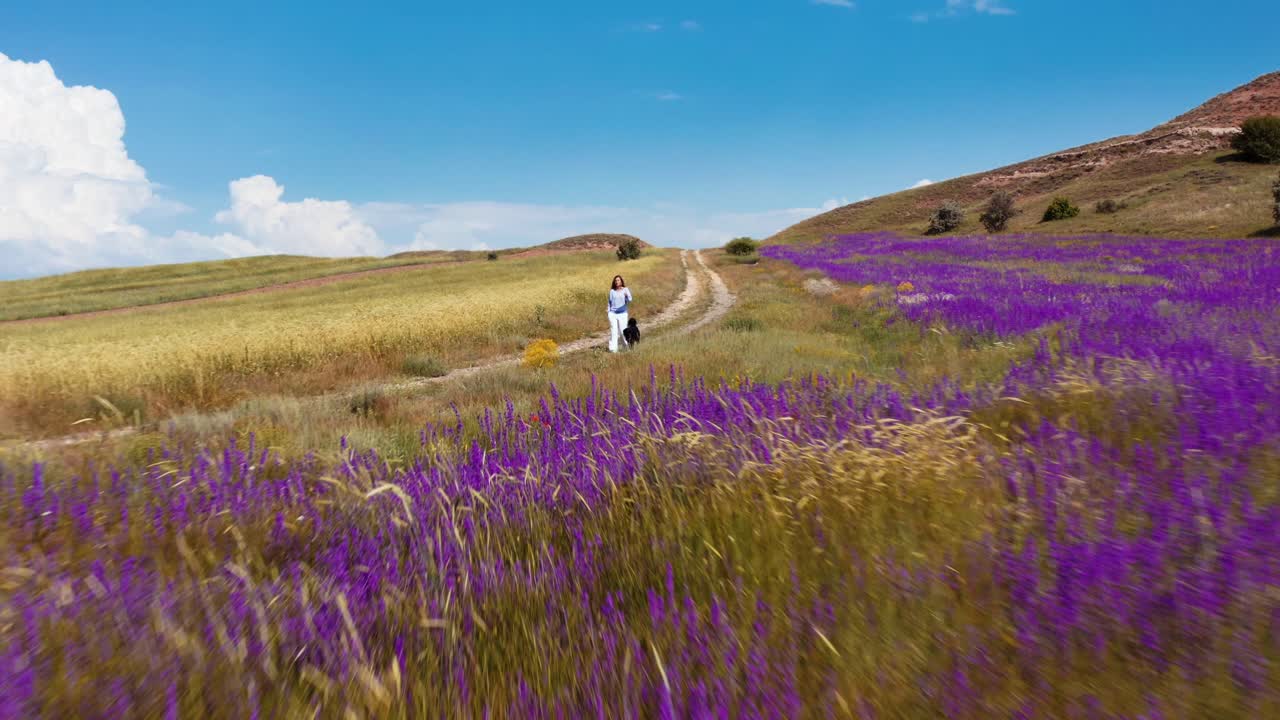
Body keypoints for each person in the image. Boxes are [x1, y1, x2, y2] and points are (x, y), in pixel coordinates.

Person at [607, 274, 633, 353]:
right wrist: (608, 310)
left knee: (623, 331)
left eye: (618, 280)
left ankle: (626, 348)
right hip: (613, 314)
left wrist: (626, 295)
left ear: (621, 281)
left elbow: (630, 299)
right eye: (615, 281)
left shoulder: (625, 289)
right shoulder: (612, 291)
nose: (616, 282)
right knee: (613, 331)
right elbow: (610, 302)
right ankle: (613, 349)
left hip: (622, 314)